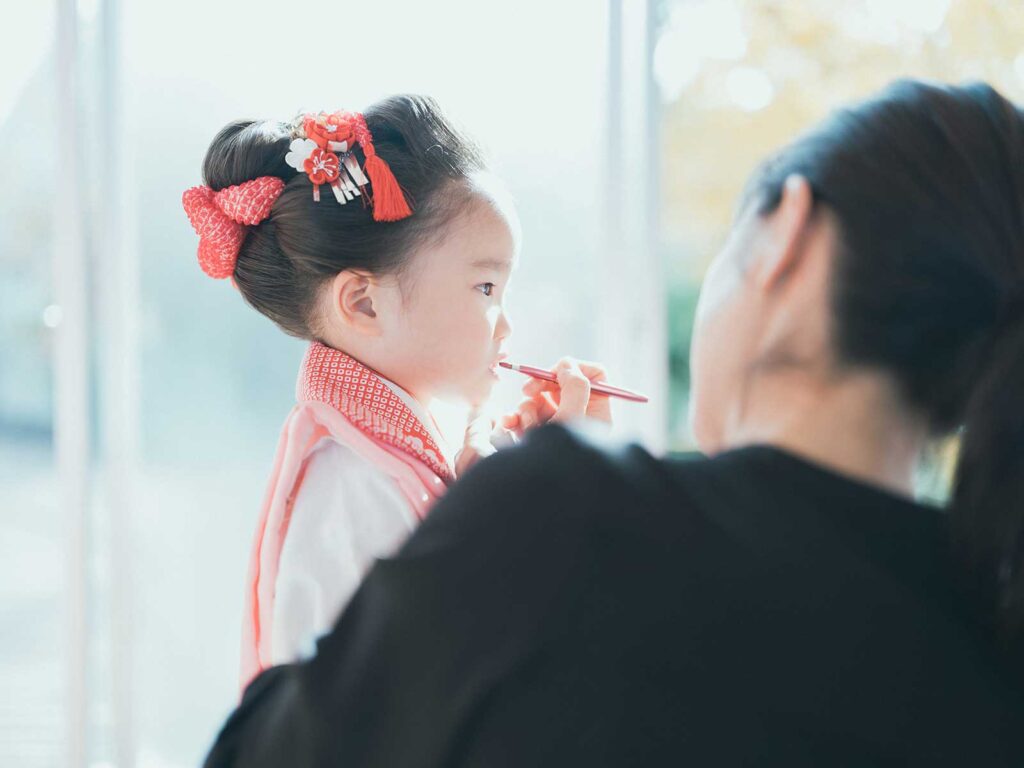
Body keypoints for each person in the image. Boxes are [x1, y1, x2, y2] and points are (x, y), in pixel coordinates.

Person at [202, 80, 1024, 765]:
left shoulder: (556, 515)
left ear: (787, 238)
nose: (505, 320)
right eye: (487, 289)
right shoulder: (992, 633)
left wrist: (518, 503)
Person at [182, 95, 610, 688]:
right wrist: (534, 499)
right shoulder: (351, 484)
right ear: (363, 302)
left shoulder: (389, 457)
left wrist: (519, 485)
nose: (506, 326)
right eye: (486, 288)